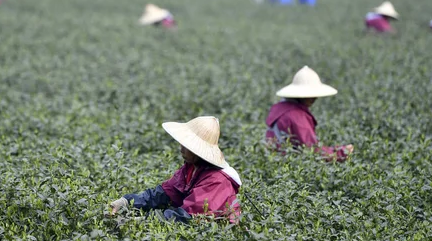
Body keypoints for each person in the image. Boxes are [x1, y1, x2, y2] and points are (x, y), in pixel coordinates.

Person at [110, 116, 242, 223]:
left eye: (187, 145)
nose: (181, 148)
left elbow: (187, 217)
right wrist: (127, 201)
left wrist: (141, 221)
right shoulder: (191, 168)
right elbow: (164, 193)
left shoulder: (217, 180)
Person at [265, 66, 353, 162]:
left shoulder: (280, 108)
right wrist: (342, 153)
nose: (314, 97)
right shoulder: (296, 116)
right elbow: (312, 150)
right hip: (289, 164)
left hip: (275, 162)